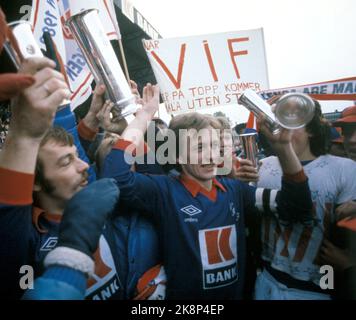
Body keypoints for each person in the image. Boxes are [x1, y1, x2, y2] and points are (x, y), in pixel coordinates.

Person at [102, 84, 313, 300]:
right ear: (177, 156)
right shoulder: (163, 191)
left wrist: (284, 147)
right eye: (199, 148)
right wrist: (145, 115)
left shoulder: (236, 191)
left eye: (214, 146)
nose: (211, 156)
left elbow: (297, 206)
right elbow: (115, 177)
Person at [253, 99, 356, 299]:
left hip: (316, 288)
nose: (282, 129)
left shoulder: (345, 168)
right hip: (268, 279)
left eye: (292, 122)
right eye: (278, 121)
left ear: (311, 129)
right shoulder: (261, 166)